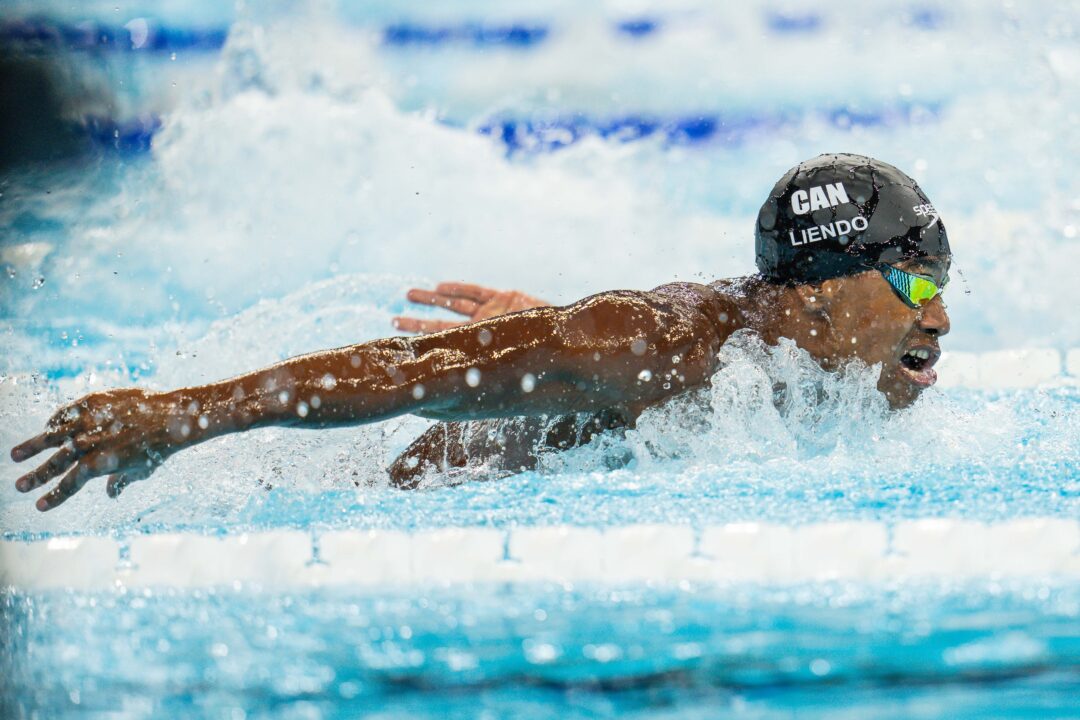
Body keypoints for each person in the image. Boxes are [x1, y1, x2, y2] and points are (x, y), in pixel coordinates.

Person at [10, 153, 951, 510]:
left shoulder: (798, 357)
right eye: (914, 282)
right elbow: (407, 371)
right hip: (410, 498)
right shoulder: (643, 343)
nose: (938, 317)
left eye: (941, 284)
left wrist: (543, 339)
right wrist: (178, 415)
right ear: (821, 289)